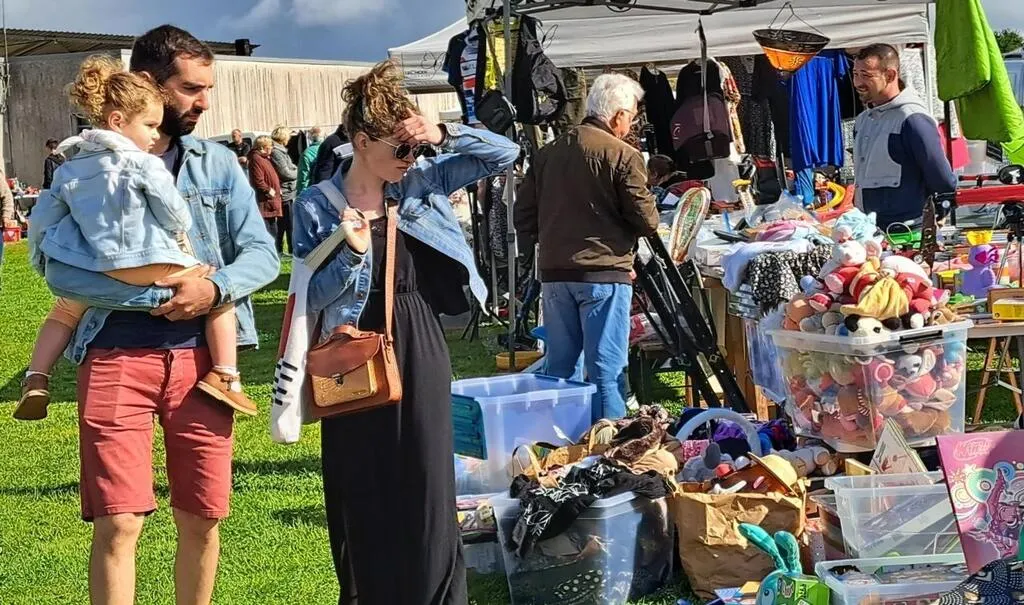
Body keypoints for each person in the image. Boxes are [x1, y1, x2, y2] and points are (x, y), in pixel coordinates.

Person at [32, 25, 278, 605]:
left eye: (208, 89)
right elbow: (53, 265)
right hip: (113, 356)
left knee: (203, 516)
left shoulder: (217, 164)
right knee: (118, 521)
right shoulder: (83, 167)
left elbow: (262, 255)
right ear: (148, 84)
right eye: (191, 89)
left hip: (204, 367)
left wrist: (211, 289)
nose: (204, 102)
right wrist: (158, 296)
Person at [292, 59, 518, 605]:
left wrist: (441, 132)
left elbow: (506, 154)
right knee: (361, 479)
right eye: (400, 148)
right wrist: (350, 254)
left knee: (427, 475)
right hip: (347, 346)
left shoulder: (421, 182)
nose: (409, 158)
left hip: (417, 334)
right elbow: (309, 295)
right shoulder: (316, 206)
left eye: (413, 148)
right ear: (361, 142)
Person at [20, 55, 258, 423]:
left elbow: (42, 221)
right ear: (118, 121)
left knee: (64, 311)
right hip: (150, 261)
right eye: (149, 125)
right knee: (217, 293)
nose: (154, 136)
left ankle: (37, 376)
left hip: (95, 267)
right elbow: (172, 210)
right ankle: (226, 375)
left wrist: (41, 259)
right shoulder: (143, 163)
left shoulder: (70, 167)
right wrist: (180, 231)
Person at [514, 73, 659, 422]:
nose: (631, 125)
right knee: (605, 370)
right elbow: (647, 220)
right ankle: (609, 444)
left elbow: (523, 215)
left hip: (555, 275)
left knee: (559, 368)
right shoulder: (623, 155)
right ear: (619, 115)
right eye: (632, 116)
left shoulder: (547, 154)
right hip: (603, 274)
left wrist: (550, 241)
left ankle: (558, 438)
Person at [852, 43, 956, 230]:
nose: (858, 83)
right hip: (869, 231)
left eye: (866, 75)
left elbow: (943, 180)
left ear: (890, 75)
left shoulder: (913, 118)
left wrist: (936, 217)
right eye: (855, 74)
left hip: (909, 232)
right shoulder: (863, 120)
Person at [269, 125, 297, 255]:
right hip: (285, 191)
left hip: (287, 190)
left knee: (285, 223)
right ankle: (289, 249)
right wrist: (297, 172)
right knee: (288, 223)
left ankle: (282, 248)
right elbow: (286, 172)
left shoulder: (280, 151)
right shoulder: (277, 152)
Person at [248, 135, 282, 239]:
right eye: (269, 146)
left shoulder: (265, 158)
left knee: (273, 230)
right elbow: (258, 180)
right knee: (269, 232)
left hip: (271, 200)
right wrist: (268, 190)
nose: (271, 148)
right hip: (265, 201)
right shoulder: (256, 159)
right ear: (262, 147)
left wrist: (277, 189)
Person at [297, 126, 322, 194]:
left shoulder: (307, 153)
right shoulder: (329, 148)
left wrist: (300, 194)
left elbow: (303, 177)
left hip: (313, 190)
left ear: (310, 137)